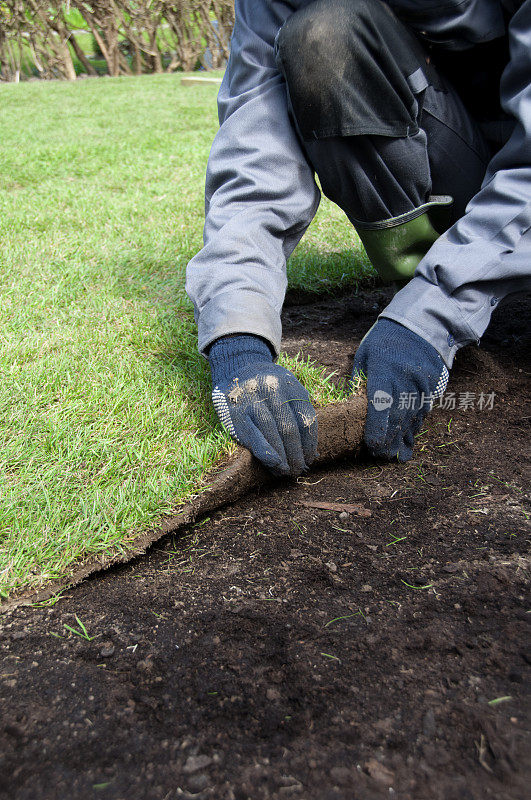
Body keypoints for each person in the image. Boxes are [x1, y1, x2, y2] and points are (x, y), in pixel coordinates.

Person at [186, 0, 530, 477]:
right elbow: (254, 164)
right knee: (323, 35)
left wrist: (434, 312)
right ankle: (422, 276)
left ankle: (452, 295)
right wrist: (238, 334)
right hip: (462, 159)